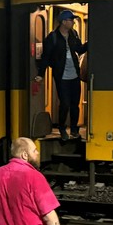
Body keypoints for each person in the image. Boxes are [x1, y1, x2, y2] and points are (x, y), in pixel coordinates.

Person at [34, 10, 88, 140]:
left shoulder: (73, 34)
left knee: (75, 104)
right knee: (65, 104)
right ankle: (62, 128)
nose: (73, 22)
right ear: (64, 22)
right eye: (71, 20)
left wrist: (89, 43)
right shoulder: (52, 38)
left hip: (74, 75)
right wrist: (41, 74)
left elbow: (79, 50)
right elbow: (46, 57)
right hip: (61, 76)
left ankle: (74, 130)